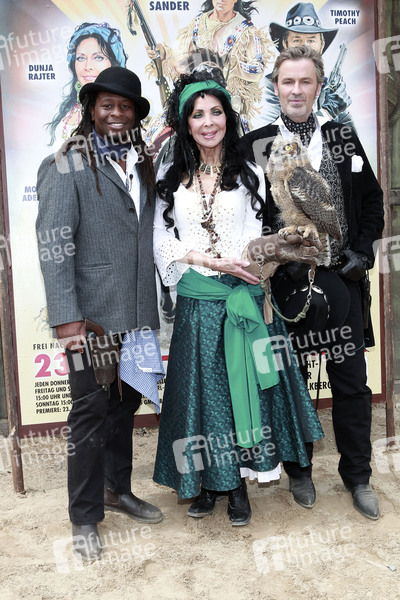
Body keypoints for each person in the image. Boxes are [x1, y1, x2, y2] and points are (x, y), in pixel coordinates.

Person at [152, 68, 324, 527]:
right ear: (185, 123)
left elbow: (252, 238)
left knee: (244, 395)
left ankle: (239, 487)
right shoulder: (170, 176)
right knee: (202, 399)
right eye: (197, 114)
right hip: (197, 302)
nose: (208, 122)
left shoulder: (249, 173)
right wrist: (204, 260)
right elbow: (161, 240)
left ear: (228, 117)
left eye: (216, 112)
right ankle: (210, 483)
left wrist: (254, 260)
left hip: (243, 298)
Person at [241, 45, 384, 519]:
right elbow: (247, 216)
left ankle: (357, 476)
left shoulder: (341, 135)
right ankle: (299, 470)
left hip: (343, 279)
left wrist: (361, 254)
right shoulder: (257, 143)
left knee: (351, 383)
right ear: (276, 87)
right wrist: (275, 257)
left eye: (305, 81)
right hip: (287, 286)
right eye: (288, 82)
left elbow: (372, 202)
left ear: (319, 86)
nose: (297, 90)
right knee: (292, 380)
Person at [36, 67, 163, 561]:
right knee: (89, 413)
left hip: (135, 312)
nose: (116, 113)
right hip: (89, 318)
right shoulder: (65, 164)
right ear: (91, 109)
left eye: (125, 106)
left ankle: (117, 489)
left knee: (123, 408)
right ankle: (84, 516)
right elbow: (54, 247)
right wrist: (67, 319)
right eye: (107, 104)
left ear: (134, 115)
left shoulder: (141, 161)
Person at [145, 0, 275, 134]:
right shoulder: (198, 22)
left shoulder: (247, 30)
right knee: (158, 133)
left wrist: (231, 64)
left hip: (227, 104)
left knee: (237, 142)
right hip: (193, 98)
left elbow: (257, 69)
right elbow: (181, 58)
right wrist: (163, 54)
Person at [259, 2, 355, 129]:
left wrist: (340, 109)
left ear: (321, 45)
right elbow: (272, 136)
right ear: (285, 44)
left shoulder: (328, 92)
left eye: (311, 40)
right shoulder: (269, 87)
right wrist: (328, 112)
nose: (304, 46)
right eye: (297, 40)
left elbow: (349, 138)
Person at [46, 22, 128, 145]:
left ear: (114, 63)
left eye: (98, 57)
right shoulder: (71, 107)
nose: (88, 66)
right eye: (81, 58)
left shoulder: (127, 109)